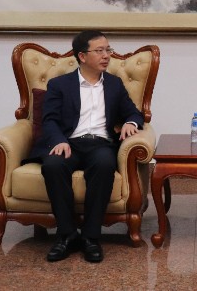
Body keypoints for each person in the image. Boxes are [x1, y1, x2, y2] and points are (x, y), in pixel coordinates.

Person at [24, 30, 144, 263]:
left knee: (105, 164)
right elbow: (49, 119)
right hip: (68, 142)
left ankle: (90, 237)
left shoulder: (114, 84)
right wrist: (58, 140)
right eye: (99, 51)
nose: (106, 55)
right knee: (53, 165)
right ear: (82, 56)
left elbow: (133, 113)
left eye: (108, 50)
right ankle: (66, 235)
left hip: (100, 143)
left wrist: (130, 123)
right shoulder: (60, 84)